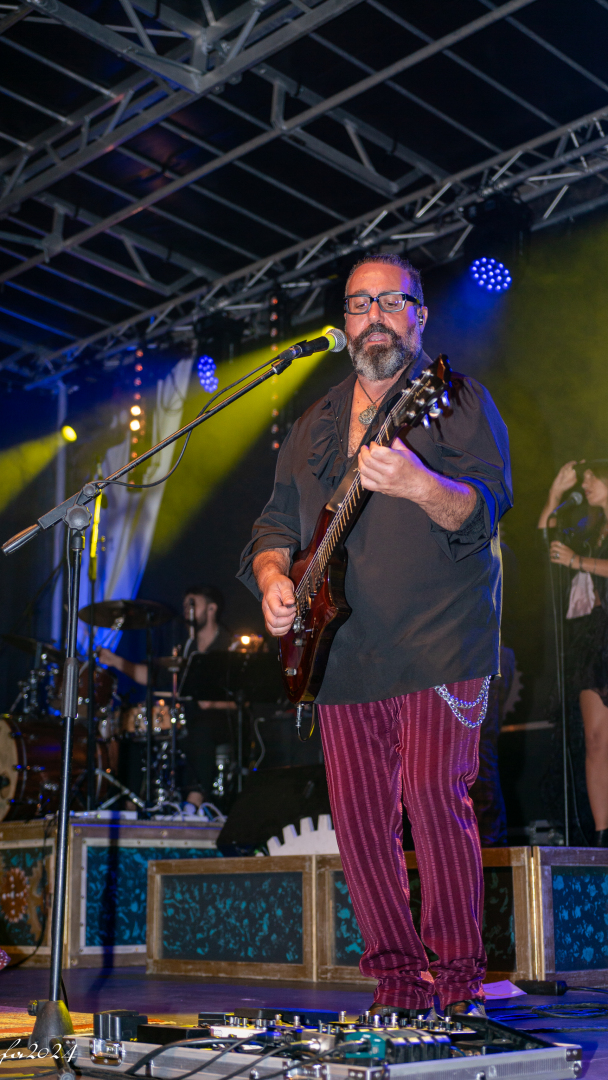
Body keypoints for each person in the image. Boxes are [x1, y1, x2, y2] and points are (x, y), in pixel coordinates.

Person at [238, 253, 512, 1018]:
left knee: (433, 794)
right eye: (360, 304)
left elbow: (486, 506)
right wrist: (273, 579)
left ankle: (457, 983)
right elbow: (273, 527)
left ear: (420, 316)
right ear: (345, 322)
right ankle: (396, 983)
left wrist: (421, 485)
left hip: (440, 641)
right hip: (341, 654)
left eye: (392, 301)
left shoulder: (453, 399)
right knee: (360, 823)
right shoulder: (312, 425)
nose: (375, 317)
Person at [98, 584, 233, 809]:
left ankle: (194, 802)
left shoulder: (229, 646)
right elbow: (152, 676)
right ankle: (131, 803)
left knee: (201, 727)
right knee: (139, 728)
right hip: (186, 717)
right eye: (185, 605)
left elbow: (246, 699)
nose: (186, 609)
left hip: (219, 720)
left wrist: (212, 703)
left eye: (193, 604)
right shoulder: (186, 648)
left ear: (212, 609)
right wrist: (115, 661)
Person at [539, 460, 608, 845]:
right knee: (596, 739)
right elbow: (545, 536)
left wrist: (578, 562)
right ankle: (602, 834)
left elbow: (574, 561)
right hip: (596, 642)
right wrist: (555, 495)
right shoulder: (591, 528)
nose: (586, 484)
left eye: (592, 477)